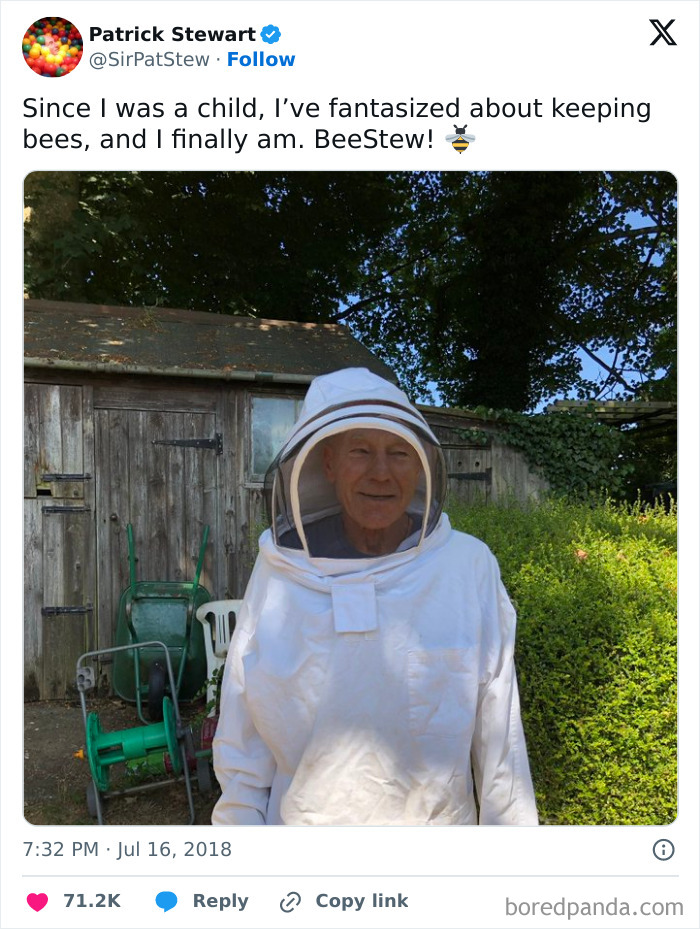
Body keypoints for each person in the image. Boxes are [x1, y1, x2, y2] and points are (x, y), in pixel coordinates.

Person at [212, 367, 538, 825]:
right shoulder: (281, 571)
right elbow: (243, 727)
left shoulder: (467, 567)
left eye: (399, 453)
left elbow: (500, 734)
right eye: (361, 451)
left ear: (421, 463)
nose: (381, 473)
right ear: (326, 463)